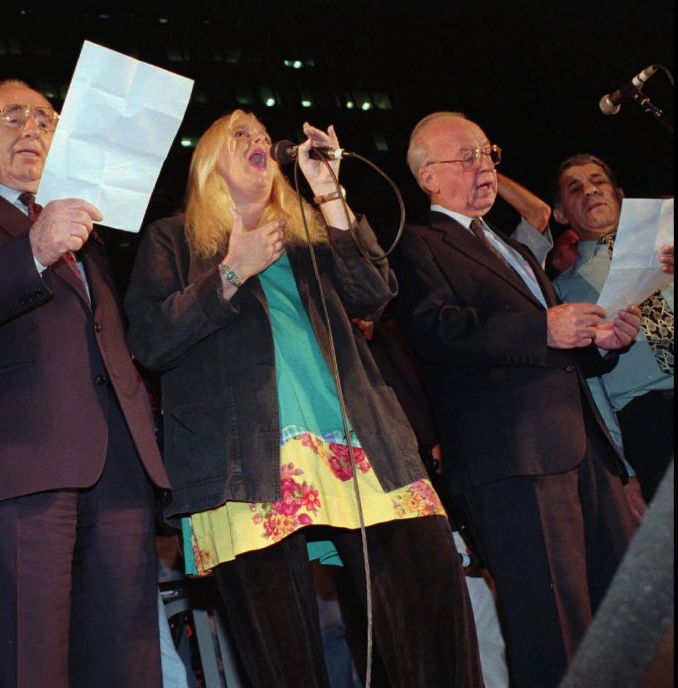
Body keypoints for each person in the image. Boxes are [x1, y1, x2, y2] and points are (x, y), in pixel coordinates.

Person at [125, 110, 482, 688]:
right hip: (247, 460)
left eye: (265, 137)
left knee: (428, 610)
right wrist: (232, 273)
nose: (259, 142)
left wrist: (329, 191)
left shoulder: (309, 235)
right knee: (284, 654)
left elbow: (374, 294)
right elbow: (152, 341)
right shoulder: (176, 239)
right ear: (210, 161)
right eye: (241, 136)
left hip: (362, 444)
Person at [0, 79, 170, 688]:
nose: (33, 128)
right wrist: (32, 248)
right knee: (27, 667)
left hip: (120, 473)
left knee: (126, 668)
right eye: (14, 116)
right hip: (17, 471)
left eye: (47, 119)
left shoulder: (88, 229)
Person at [392, 111, 641, 687]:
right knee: (552, 630)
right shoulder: (416, 245)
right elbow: (435, 329)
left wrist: (603, 342)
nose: (486, 168)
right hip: (515, 460)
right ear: (430, 177)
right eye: (468, 157)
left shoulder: (514, 250)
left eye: (489, 153)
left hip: (584, 452)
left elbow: (562, 350)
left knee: (620, 615)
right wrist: (542, 330)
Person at [523, 155, 673, 502]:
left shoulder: (668, 249)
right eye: (576, 188)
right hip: (650, 421)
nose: (590, 190)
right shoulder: (560, 295)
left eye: (598, 181)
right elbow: (590, 388)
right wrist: (624, 471)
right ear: (561, 215)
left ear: (620, 194)